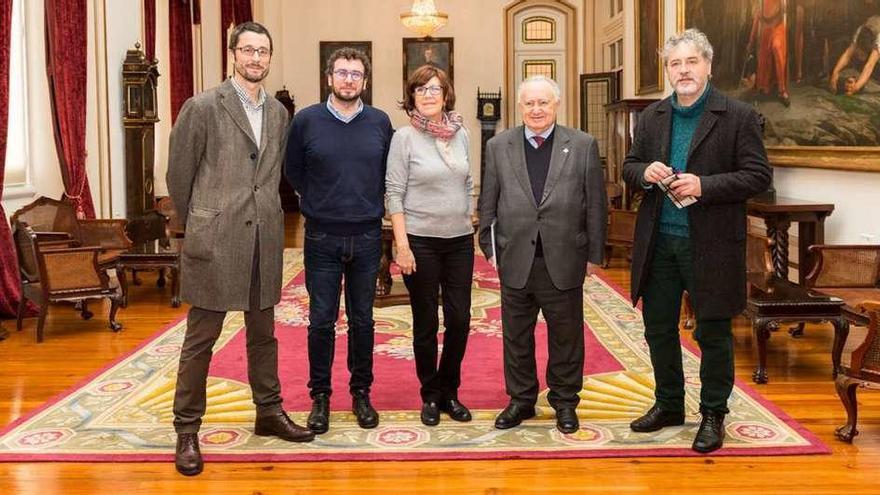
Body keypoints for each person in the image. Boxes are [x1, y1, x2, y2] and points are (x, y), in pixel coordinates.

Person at [166, 22, 315, 477]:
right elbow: (179, 175)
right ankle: (187, 428)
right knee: (201, 340)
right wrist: (199, 224)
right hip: (215, 237)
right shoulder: (203, 107)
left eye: (263, 52)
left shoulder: (279, 114)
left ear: (270, 58)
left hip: (263, 238)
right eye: (248, 50)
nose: (255, 58)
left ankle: (268, 411)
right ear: (233, 54)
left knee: (263, 334)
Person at [622, 29, 772, 454]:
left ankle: (712, 414)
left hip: (712, 244)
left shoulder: (738, 115)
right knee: (658, 329)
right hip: (659, 243)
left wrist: (704, 186)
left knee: (712, 331)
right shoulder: (651, 116)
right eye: (675, 63)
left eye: (691, 62)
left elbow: (758, 176)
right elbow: (629, 167)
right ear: (667, 70)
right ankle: (669, 404)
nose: (683, 70)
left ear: (708, 65)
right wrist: (644, 171)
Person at [478, 75, 607, 435]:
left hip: (565, 258)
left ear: (556, 105)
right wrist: (489, 247)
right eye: (529, 103)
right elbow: (488, 202)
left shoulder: (581, 145)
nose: (536, 110)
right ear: (520, 107)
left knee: (566, 337)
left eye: (543, 103)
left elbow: (595, 205)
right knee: (516, 336)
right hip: (515, 257)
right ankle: (521, 400)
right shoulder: (498, 146)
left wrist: (594, 255)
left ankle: (565, 402)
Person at [284, 48, 393, 435]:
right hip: (321, 236)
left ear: (365, 81)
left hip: (366, 236)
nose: (349, 79)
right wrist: (318, 199)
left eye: (356, 74)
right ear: (329, 78)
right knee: (321, 321)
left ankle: (361, 393)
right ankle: (321, 397)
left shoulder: (380, 122)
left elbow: (387, 173)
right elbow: (292, 169)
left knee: (363, 321)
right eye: (342, 73)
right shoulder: (306, 121)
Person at [385, 65, 474, 427]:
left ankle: (450, 389)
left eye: (434, 88)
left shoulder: (462, 134)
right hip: (419, 241)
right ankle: (430, 394)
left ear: (446, 93)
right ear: (412, 97)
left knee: (459, 319)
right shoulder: (404, 138)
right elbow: (394, 193)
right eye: (421, 89)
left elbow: (468, 182)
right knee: (425, 322)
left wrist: (468, 216)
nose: (428, 94)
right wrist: (401, 246)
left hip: (459, 242)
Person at [746, 0, 790, 105]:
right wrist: (751, 41)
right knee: (763, 56)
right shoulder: (761, 3)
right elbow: (758, 17)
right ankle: (765, 86)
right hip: (766, 30)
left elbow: (782, 14)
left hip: (778, 28)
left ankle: (782, 90)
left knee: (776, 47)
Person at [830, 15, 880, 95]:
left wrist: (856, 88)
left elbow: (870, 65)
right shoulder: (860, 31)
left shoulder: (878, 39)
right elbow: (848, 54)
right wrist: (835, 72)